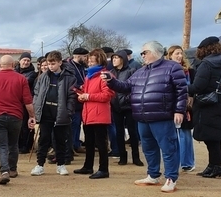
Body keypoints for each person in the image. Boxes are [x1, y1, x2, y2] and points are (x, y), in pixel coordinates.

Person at [105, 41, 187, 193]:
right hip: (142, 117)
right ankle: (153, 175)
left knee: (169, 148)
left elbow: (182, 91)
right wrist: (111, 81)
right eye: (141, 53)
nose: (142, 55)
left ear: (156, 52)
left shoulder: (172, 67)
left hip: (162, 116)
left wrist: (179, 110)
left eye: (145, 52)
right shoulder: (141, 71)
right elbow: (126, 86)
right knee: (148, 148)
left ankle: (171, 178)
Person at [185, 38, 221, 178]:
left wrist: (181, 87)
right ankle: (215, 165)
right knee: (214, 138)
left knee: (210, 138)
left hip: (208, 105)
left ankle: (216, 166)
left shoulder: (206, 64)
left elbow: (198, 87)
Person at [0, 55, 35, 184]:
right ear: (13, 65)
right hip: (16, 116)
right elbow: (28, 101)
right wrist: (32, 116)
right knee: (13, 144)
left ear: (0, 65)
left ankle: (4, 171)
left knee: (2, 145)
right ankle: (12, 169)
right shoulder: (21, 79)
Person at [31, 51, 77, 176]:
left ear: (60, 62)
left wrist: (68, 111)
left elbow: (72, 97)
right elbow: (36, 93)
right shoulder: (43, 76)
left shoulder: (69, 77)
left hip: (61, 112)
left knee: (60, 140)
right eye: (49, 64)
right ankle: (40, 165)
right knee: (43, 139)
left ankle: (61, 165)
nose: (50, 66)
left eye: (53, 63)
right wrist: (36, 107)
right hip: (46, 112)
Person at [73, 49, 114, 179]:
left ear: (99, 60)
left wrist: (88, 96)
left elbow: (108, 95)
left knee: (101, 143)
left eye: (92, 60)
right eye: (89, 60)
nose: (89, 62)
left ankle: (103, 169)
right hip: (88, 113)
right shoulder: (89, 76)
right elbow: (86, 91)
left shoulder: (105, 75)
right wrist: (81, 95)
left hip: (99, 114)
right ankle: (88, 166)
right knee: (89, 142)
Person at [109, 50, 142, 166]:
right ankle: (122, 157)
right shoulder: (111, 72)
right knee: (119, 132)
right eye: (113, 58)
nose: (114, 60)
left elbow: (134, 87)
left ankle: (136, 157)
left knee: (133, 132)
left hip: (128, 106)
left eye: (117, 58)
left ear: (123, 59)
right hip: (115, 105)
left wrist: (128, 99)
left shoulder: (131, 71)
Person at [16, 52, 38, 154]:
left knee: (26, 124)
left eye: (28, 61)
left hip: (27, 102)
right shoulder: (15, 71)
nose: (26, 62)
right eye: (24, 60)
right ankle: (18, 143)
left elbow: (26, 83)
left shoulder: (32, 73)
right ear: (20, 60)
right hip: (16, 102)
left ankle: (26, 145)